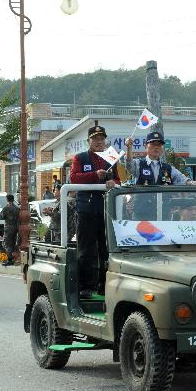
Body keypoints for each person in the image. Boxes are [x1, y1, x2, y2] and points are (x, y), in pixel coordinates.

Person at [69, 122, 121, 297]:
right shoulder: (80, 157)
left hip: (107, 209)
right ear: (89, 141)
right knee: (86, 249)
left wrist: (113, 183)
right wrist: (94, 176)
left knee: (106, 249)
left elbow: (121, 180)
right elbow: (74, 178)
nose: (99, 142)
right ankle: (86, 287)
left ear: (105, 141)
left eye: (101, 139)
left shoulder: (111, 156)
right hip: (86, 209)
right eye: (95, 139)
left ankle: (104, 285)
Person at [124, 131, 192, 186]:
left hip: (163, 203)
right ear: (145, 146)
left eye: (159, 145)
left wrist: (191, 183)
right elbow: (129, 164)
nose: (156, 147)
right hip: (143, 203)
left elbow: (180, 178)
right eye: (153, 144)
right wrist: (128, 148)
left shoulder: (168, 168)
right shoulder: (139, 164)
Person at [0, 194, 20, 266]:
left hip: (8, 228)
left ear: (7, 200)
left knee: (7, 244)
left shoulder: (6, 208)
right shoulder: (17, 208)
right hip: (15, 228)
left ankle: (9, 259)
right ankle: (13, 258)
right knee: (13, 243)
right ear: (13, 200)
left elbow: (1, 217)